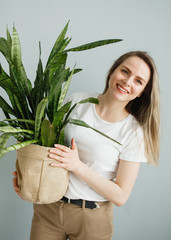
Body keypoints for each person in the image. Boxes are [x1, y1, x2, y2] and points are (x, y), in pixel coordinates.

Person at [12, 51, 160, 240]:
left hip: (91, 217)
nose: (128, 81)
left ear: (142, 93)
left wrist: (77, 166)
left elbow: (121, 196)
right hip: (49, 207)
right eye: (125, 71)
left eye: (138, 81)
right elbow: (40, 142)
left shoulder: (133, 132)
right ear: (112, 72)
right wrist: (25, 177)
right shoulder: (75, 101)